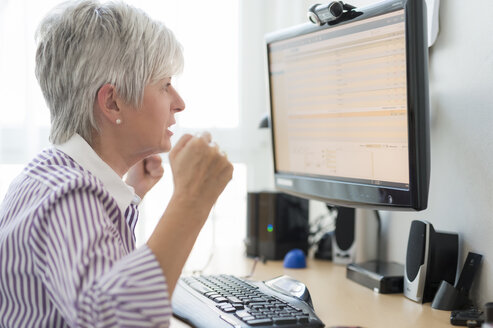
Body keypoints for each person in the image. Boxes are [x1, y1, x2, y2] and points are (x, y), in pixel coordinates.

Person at [0, 0, 233, 327]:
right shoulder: (71, 196)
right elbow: (117, 321)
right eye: (165, 84)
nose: (179, 103)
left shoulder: (48, 175)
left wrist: (131, 192)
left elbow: (99, 276)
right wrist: (192, 200)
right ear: (112, 102)